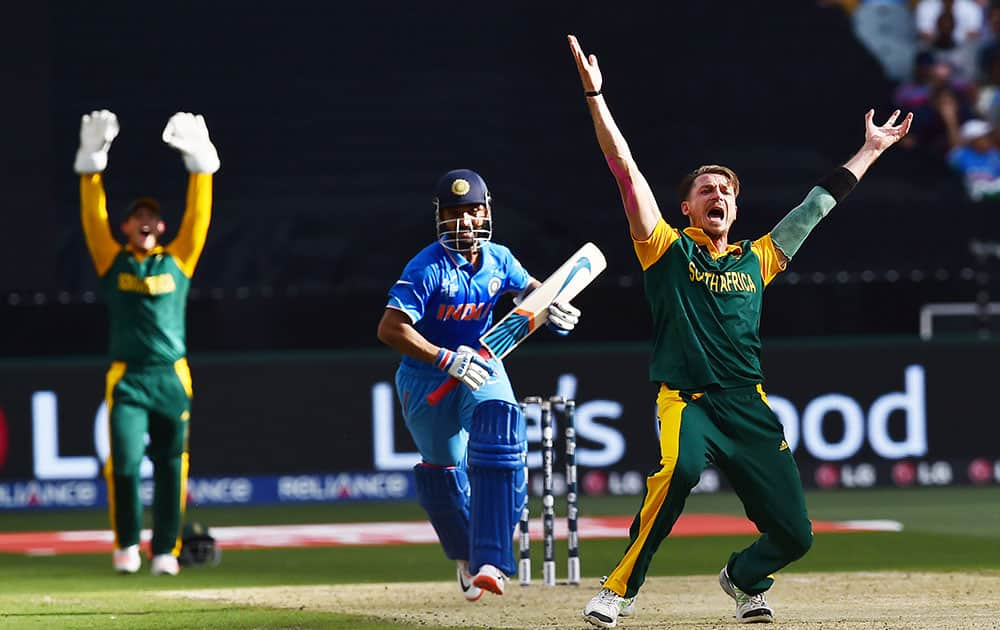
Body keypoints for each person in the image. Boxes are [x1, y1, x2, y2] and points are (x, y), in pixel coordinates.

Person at [567, 35, 912, 627]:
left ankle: (744, 578)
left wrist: (870, 149)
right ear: (687, 209)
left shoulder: (759, 258)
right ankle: (617, 590)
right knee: (677, 472)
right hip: (688, 401)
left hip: (747, 404)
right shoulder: (664, 250)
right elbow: (623, 167)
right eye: (706, 190)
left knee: (796, 535)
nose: (718, 195)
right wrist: (596, 97)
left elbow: (817, 205)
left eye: (726, 190)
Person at [376, 169, 581, 601]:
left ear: (486, 212)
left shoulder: (500, 259)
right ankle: (466, 555)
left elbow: (529, 294)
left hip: (484, 363)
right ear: (440, 216)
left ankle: (490, 559)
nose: (465, 222)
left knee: (501, 434)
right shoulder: (426, 267)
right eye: (455, 213)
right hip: (426, 375)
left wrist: (553, 308)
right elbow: (390, 329)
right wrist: (444, 358)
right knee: (443, 473)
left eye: (473, 211)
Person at [75, 109, 220, 576]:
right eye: (137, 217)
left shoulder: (178, 259)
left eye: (152, 218)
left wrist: (200, 171)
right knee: (123, 464)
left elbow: (198, 219)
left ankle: (164, 551)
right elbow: (91, 218)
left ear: (161, 227)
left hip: (172, 378)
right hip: (129, 379)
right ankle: (124, 548)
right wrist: (92, 166)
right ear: (125, 227)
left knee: (170, 469)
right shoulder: (111, 261)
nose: (145, 222)